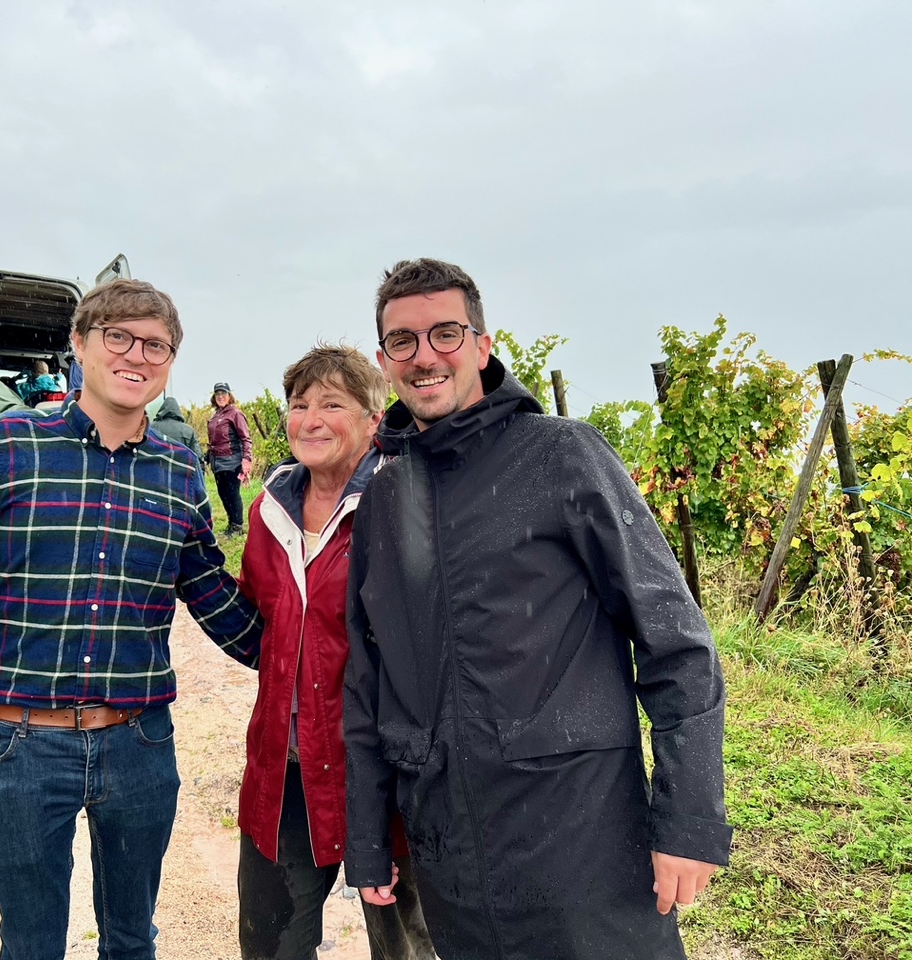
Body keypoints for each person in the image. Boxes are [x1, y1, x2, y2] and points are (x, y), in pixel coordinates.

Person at [342, 259, 733, 960]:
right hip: (451, 855)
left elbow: (676, 641)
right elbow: (367, 682)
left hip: (581, 845)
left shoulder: (563, 458)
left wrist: (689, 820)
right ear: (384, 361)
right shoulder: (382, 501)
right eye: (403, 341)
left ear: (483, 347)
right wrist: (369, 838)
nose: (425, 355)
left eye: (446, 333)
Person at [0, 278, 264, 960]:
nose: (138, 355)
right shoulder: (8, 445)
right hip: (22, 746)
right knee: (31, 943)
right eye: (118, 336)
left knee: (132, 940)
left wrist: (314, 658)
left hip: (139, 744)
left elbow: (212, 594)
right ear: (80, 344)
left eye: (157, 345)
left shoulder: (179, 470)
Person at [236, 345, 434, 960]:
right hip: (287, 768)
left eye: (332, 404)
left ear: (375, 420)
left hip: (389, 777)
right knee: (271, 944)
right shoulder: (269, 513)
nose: (310, 419)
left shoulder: (406, 504)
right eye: (299, 405)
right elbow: (257, 625)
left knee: (410, 944)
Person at [207, 382, 252, 536]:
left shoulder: (235, 414)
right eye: (217, 394)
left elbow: (246, 439)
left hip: (232, 460)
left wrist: (246, 460)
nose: (220, 396)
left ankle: (238, 527)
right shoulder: (216, 415)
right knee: (223, 494)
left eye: (223, 394)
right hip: (217, 461)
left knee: (233, 494)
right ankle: (231, 523)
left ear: (229, 396)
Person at [151, 395, 203, 468]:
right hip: (181, 472)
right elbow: (198, 457)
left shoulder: (151, 428)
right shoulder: (188, 430)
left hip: (157, 471)